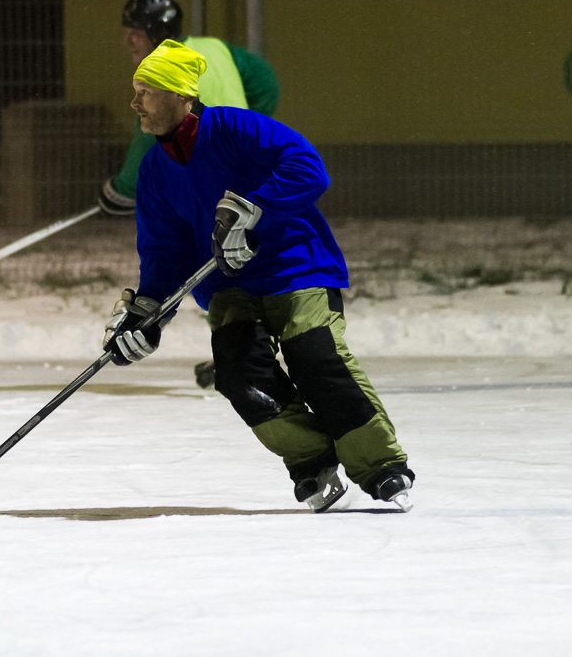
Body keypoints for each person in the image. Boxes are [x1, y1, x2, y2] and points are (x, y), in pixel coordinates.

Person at [102, 40, 415, 512]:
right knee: (238, 375)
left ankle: (381, 467)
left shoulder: (237, 127)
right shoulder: (153, 171)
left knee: (317, 358)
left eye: (145, 91)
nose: (134, 103)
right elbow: (165, 252)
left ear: (179, 95)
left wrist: (253, 209)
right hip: (228, 285)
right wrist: (147, 311)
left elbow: (308, 167)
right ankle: (313, 461)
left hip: (296, 267)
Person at [99, 0, 280, 388]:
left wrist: (122, 190)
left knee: (213, 264)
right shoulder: (213, 49)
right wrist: (254, 122)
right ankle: (247, 349)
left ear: (154, 33)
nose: (127, 43)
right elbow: (265, 80)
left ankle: (247, 353)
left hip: (204, 178)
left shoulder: (160, 70)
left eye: (133, 35)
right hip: (244, 168)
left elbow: (150, 139)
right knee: (240, 262)